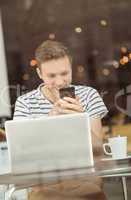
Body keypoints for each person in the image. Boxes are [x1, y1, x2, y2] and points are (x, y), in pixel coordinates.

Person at [14, 40, 108, 200]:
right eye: (51, 76)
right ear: (39, 73)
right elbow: (23, 155)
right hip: (44, 182)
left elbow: (98, 151)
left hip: (84, 178)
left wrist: (80, 120)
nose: (59, 82)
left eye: (65, 74)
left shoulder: (89, 95)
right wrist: (51, 120)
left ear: (71, 69)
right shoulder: (25, 103)